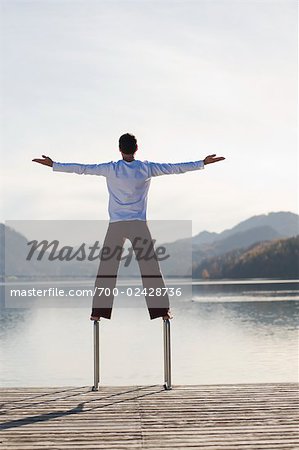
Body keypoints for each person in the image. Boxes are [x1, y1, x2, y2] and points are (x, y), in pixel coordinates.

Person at [32, 133, 225, 321]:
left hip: (116, 224)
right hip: (138, 224)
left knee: (107, 268)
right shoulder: (146, 168)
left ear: (119, 149)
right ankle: (162, 311)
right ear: (136, 149)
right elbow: (174, 168)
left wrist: (54, 165)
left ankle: (97, 312)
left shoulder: (111, 169)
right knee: (150, 268)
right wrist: (202, 163)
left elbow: (82, 169)